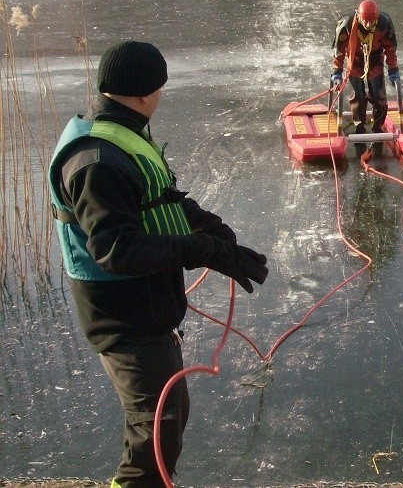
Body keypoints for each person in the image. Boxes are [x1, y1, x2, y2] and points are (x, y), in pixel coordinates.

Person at [48, 40, 269, 488]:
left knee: (168, 415)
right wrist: (203, 251)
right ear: (149, 92)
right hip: (121, 314)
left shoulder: (116, 131)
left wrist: (207, 226)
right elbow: (117, 251)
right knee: (154, 431)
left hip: (145, 307)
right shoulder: (96, 161)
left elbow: (154, 197)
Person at [330, 0, 400, 136]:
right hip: (355, 62)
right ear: (359, 17)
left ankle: (377, 126)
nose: (368, 25)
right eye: (365, 21)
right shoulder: (347, 24)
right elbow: (339, 50)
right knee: (358, 97)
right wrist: (336, 72)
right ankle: (359, 126)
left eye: (372, 21)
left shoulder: (383, 23)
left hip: (375, 62)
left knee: (379, 97)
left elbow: (390, 48)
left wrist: (393, 70)